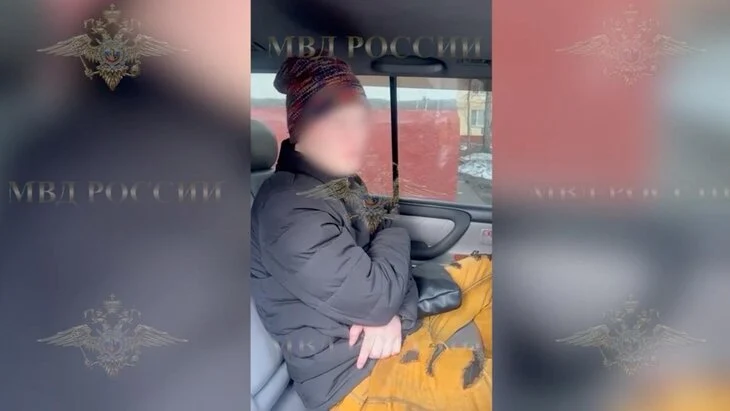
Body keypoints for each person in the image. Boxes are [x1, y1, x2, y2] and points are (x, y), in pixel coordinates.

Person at [250, 55, 493, 411]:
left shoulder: (342, 183)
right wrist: (385, 308)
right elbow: (377, 297)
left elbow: (389, 231)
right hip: (352, 379)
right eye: (337, 123)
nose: (356, 135)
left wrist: (396, 313)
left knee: (489, 272)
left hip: (385, 334)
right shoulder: (288, 208)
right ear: (302, 128)